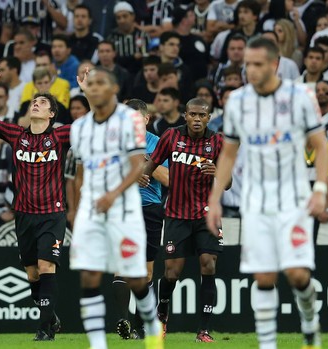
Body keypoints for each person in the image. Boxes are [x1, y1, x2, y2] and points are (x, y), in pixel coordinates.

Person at [207, 38, 328, 349]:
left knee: (298, 275)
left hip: (294, 199)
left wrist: (320, 188)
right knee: (263, 277)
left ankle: (310, 323)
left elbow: (320, 145)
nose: (251, 70)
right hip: (256, 201)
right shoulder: (237, 101)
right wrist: (214, 198)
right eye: (248, 64)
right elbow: (229, 155)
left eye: (258, 64)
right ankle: (267, 344)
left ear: (275, 64)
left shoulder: (301, 96)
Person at [69, 67, 163, 349]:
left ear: (113, 91)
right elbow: (79, 172)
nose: (95, 89)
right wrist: (74, 210)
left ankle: (151, 324)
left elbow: (138, 166)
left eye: (100, 85)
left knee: (137, 276)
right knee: (89, 274)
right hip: (93, 209)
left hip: (126, 208)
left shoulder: (129, 123)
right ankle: (99, 343)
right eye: (90, 86)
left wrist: (114, 193)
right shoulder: (80, 127)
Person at [0, 62, 68, 341]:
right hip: (24, 215)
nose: (36, 104)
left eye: (42, 102)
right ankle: (49, 315)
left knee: (45, 267)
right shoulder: (17, 134)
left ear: (51, 114)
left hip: (53, 214)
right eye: (34, 101)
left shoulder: (61, 136)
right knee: (31, 275)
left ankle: (43, 329)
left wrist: (87, 93)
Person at [142, 96, 225, 342]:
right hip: (177, 214)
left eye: (202, 115)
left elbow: (228, 182)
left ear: (208, 117)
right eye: (193, 115)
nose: (197, 119)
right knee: (171, 273)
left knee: (209, 264)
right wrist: (143, 177)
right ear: (185, 116)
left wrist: (218, 173)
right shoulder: (171, 136)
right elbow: (154, 161)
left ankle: (204, 330)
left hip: (207, 214)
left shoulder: (217, 141)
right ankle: (162, 314)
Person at [113, 99, 169, 340]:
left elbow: (169, 179)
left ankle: (138, 327)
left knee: (146, 271)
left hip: (150, 209)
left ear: (146, 119)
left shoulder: (158, 144)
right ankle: (122, 319)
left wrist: (148, 164)